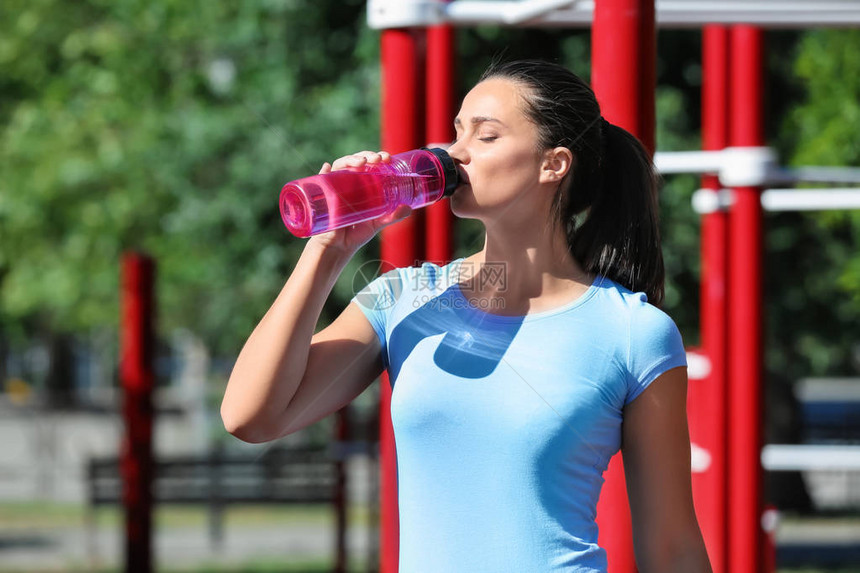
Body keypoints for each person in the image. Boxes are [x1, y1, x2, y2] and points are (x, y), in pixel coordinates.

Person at [221, 59, 712, 572]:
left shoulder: (633, 332)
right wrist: (330, 245)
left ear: (554, 164)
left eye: (486, 136)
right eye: (457, 132)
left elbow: (673, 548)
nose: (455, 153)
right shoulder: (404, 300)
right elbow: (249, 418)